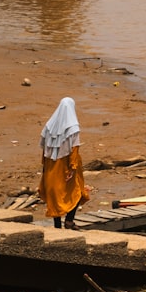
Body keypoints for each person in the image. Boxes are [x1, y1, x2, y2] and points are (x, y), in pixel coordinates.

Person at [38, 97, 90, 229]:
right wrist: (72, 168)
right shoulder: (73, 128)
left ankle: (57, 224)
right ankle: (69, 220)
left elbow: (44, 148)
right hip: (66, 166)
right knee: (76, 192)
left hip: (51, 165)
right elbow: (74, 149)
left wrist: (44, 165)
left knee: (54, 194)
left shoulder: (49, 126)